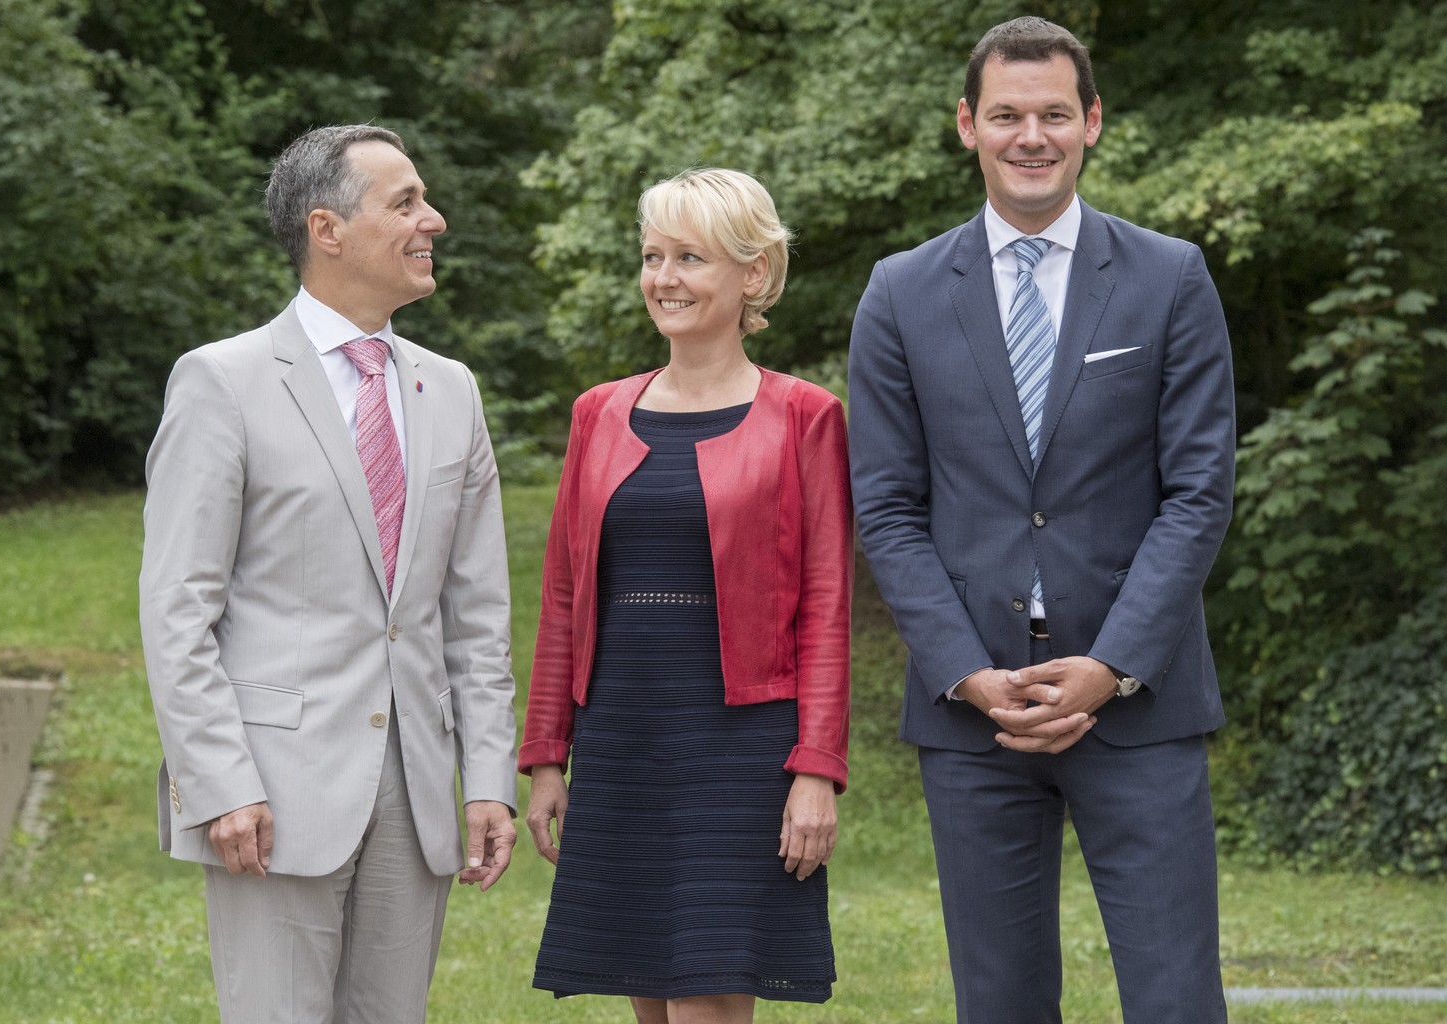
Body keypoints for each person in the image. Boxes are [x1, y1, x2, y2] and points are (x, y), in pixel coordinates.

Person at [848, 17, 1235, 1024]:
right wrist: (966, 673)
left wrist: (1111, 665)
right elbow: (886, 506)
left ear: (1092, 123)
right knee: (1002, 1004)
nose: (1033, 136)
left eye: (1054, 113)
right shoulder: (900, 292)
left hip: (1139, 705)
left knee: (1175, 999)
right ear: (967, 125)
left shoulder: (1169, 276)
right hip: (974, 713)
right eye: (1008, 114)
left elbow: (1198, 492)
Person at [139, 124, 519, 1024]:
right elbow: (177, 606)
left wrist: (487, 775)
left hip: (418, 787)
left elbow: (476, 614)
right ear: (328, 228)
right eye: (406, 202)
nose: (435, 218)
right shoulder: (219, 382)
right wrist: (222, 783)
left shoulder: (452, 390)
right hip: (269, 794)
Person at [518, 167, 851, 1024]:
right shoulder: (599, 412)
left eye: (690, 257)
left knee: (706, 984)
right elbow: (564, 593)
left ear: (753, 273)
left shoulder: (806, 416)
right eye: (652, 256)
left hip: (739, 742)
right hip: (623, 731)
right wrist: (548, 755)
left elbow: (825, 608)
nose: (663, 278)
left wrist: (817, 771)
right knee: (648, 986)